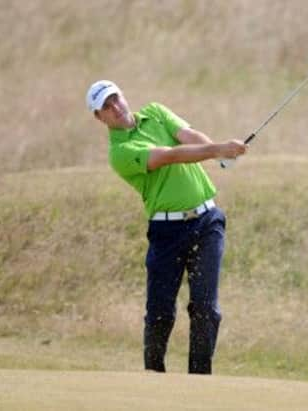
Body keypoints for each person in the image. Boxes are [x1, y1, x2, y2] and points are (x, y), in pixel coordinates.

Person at [86, 80, 248, 374]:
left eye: (115, 99)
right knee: (160, 313)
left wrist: (218, 150)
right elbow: (168, 155)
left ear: (123, 95)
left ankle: (199, 381)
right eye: (106, 107)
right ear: (100, 118)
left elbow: (188, 136)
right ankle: (154, 378)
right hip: (166, 233)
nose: (115, 107)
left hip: (207, 221)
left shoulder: (156, 112)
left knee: (205, 309)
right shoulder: (120, 151)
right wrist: (217, 150)